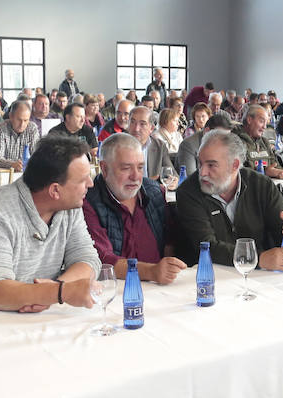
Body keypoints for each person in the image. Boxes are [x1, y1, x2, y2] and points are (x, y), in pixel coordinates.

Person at [0, 135, 99, 309]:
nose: (90, 184)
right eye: (83, 180)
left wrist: (53, 292)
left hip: (37, 313)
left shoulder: (70, 207)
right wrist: (59, 293)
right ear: (55, 190)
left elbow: (88, 260)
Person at [177, 129, 283, 270]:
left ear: (234, 165)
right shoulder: (188, 192)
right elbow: (207, 247)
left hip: (261, 277)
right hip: (209, 275)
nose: (202, 172)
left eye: (211, 165)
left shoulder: (261, 185)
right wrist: (258, 259)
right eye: (200, 163)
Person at [82, 133, 185, 284]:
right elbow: (102, 260)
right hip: (115, 289)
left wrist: (167, 269)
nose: (136, 176)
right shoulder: (88, 202)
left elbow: (170, 240)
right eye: (126, 168)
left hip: (159, 288)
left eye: (140, 167)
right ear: (104, 169)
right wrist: (152, 271)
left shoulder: (154, 192)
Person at [232, 104, 283, 177]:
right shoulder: (234, 141)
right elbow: (238, 173)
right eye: (261, 121)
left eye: (266, 123)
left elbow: (275, 165)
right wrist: (264, 172)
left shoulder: (264, 142)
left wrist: (280, 172)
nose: (264, 127)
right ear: (249, 120)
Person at [178, 111, 233, 178]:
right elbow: (190, 178)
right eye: (220, 136)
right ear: (207, 131)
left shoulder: (224, 144)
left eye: (227, 137)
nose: (224, 140)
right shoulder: (188, 146)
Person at [0, 99, 39, 170]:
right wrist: (12, 164)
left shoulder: (32, 129)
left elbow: (36, 155)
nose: (22, 124)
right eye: (19, 120)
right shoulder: (0, 129)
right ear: (11, 116)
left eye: (25, 120)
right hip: (5, 173)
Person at [126, 105, 172, 176]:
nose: (136, 129)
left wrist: (173, 180)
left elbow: (170, 173)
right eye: (132, 122)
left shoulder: (159, 146)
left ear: (151, 128)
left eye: (142, 124)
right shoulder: (117, 145)